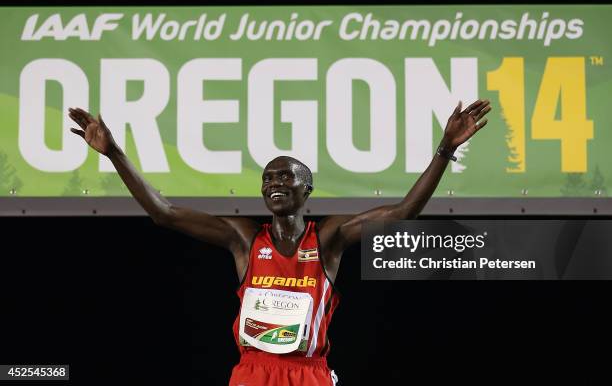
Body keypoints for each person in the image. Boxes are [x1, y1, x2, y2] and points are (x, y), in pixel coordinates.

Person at [68, 99, 490, 385]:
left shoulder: (328, 238)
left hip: (308, 373)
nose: (275, 183)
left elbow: (403, 212)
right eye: (268, 178)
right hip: (252, 371)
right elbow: (164, 212)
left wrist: (444, 149)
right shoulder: (244, 239)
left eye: (286, 176)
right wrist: (114, 153)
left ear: (306, 190)